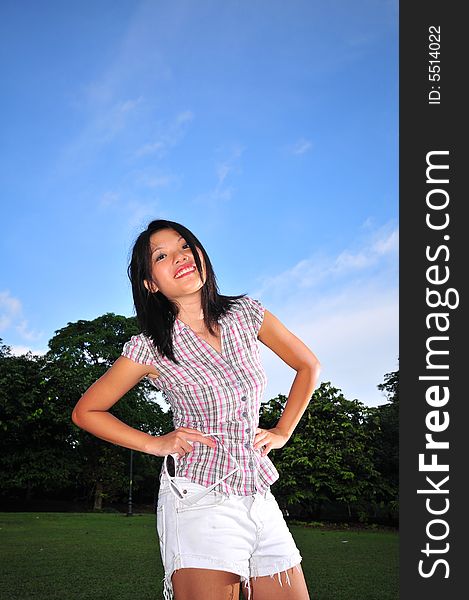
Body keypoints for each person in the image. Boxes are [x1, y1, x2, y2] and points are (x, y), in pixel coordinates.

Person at [72, 219, 320, 600]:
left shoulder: (247, 313)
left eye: (185, 246)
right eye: (162, 255)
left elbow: (307, 365)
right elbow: (87, 411)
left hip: (257, 492)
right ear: (150, 283)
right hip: (198, 495)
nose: (180, 256)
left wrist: (282, 431)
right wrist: (156, 443)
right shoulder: (149, 347)